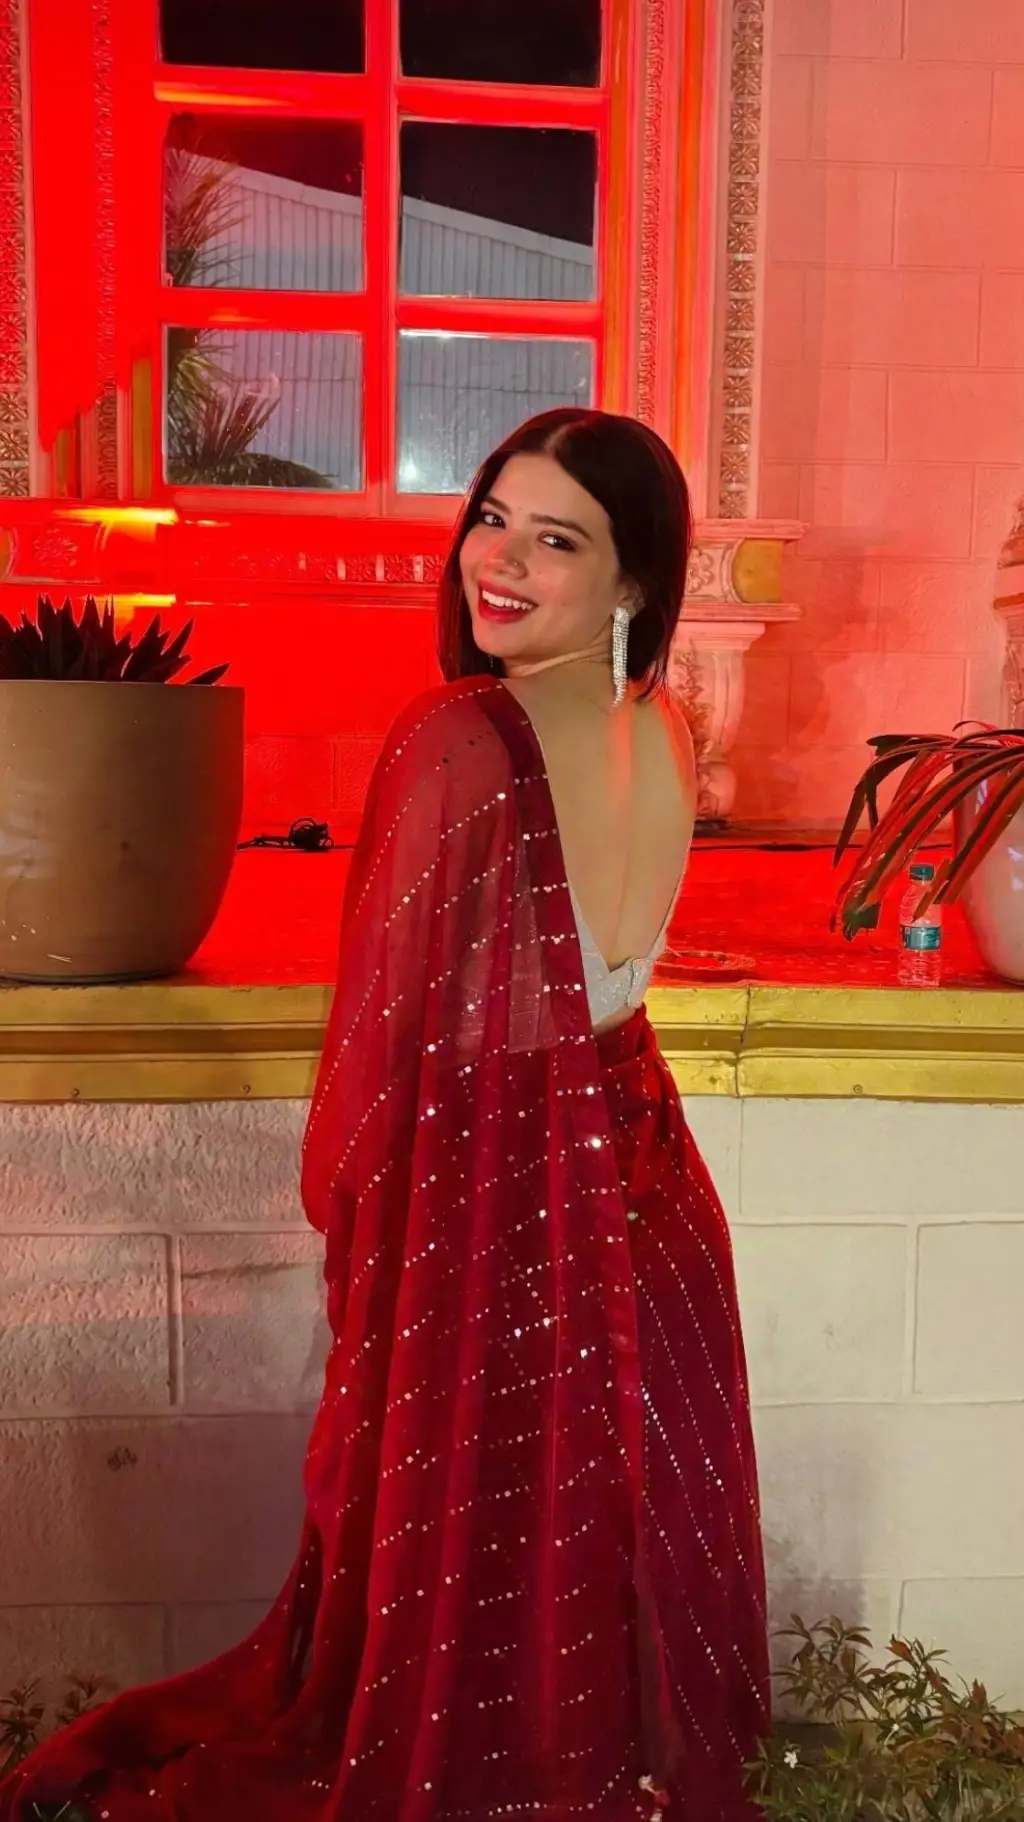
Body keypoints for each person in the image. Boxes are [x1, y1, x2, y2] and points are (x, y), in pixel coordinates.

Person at [1, 409, 769, 1821]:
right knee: (595, 1562)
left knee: (475, 1566)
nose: (501, 562)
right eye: (492, 519)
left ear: (636, 580)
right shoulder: (660, 722)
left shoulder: (460, 733)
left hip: (501, 1219)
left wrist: (354, 1217)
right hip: (650, 1201)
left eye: (557, 539)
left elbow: (382, 1058)